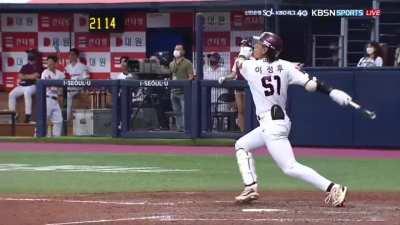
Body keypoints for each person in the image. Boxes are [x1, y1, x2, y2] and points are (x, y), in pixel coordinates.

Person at [218, 32, 349, 207]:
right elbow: (311, 84)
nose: (255, 48)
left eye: (259, 46)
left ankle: (333, 188)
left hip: (272, 126)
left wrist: (243, 50)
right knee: (242, 145)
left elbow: (240, 62)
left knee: (290, 167)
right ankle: (250, 186)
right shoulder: (286, 66)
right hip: (274, 123)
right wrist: (332, 92)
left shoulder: (251, 67)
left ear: (266, 49)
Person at [8, 49, 43, 123]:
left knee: (27, 92)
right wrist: (29, 76)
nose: (29, 55)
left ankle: (28, 116)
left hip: (33, 86)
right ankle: (13, 115)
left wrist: (25, 76)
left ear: (35, 56)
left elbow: (35, 76)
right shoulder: (25, 66)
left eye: (30, 54)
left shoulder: (39, 65)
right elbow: (20, 76)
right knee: (11, 94)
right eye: (28, 54)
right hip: (23, 86)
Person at [169, 44, 194, 131]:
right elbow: (172, 75)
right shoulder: (171, 63)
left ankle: (186, 129)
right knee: (177, 111)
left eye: (179, 49)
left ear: (183, 51)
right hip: (173, 91)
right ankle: (179, 128)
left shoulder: (188, 63)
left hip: (184, 92)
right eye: (175, 49)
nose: (176, 51)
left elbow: (191, 76)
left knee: (185, 112)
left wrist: (185, 84)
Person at [41, 55, 65, 137]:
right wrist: (58, 88)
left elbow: (61, 89)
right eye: (48, 63)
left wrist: (60, 96)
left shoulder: (60, 74)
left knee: (59, 120)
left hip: (56, 100)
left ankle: (56, 138)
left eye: (51, 63)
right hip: (47, 99)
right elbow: (50, 87)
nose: (49, 65)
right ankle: (36, 135)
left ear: (56, 63)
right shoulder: (45, 73)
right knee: (43, 119)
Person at [65, 48, 89, 121]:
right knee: (68, 98)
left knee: (69, 95)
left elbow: (86, 79)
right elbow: (65, 79)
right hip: (70, 89)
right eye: (70, 54)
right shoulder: (67, 67)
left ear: (77, 56)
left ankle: (69, 119)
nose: (71, 56)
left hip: (79, 88)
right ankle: (68, 121)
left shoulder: (82, 66)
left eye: (73, 54)